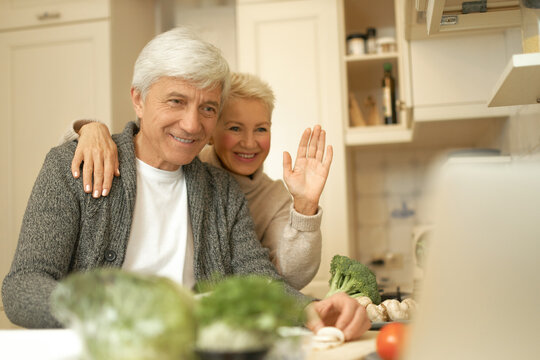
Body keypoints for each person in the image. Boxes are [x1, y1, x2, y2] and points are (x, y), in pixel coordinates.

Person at [2, 27, 370, 340]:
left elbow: (258, 278)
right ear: (139, 100)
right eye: (176, 101)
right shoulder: (76, 165)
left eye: (208, 108)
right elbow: (21, 288)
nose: (193, 125)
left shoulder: (221, 190)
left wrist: (314, 309)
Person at [66, 72, 330, 290]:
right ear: (210, 130)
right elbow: (112, 153)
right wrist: (88, 129)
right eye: (234, 128)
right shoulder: (184, 162)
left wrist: (305, 206)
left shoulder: (276, 197)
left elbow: (287, 278)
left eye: (261, 129)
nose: (249, 143)